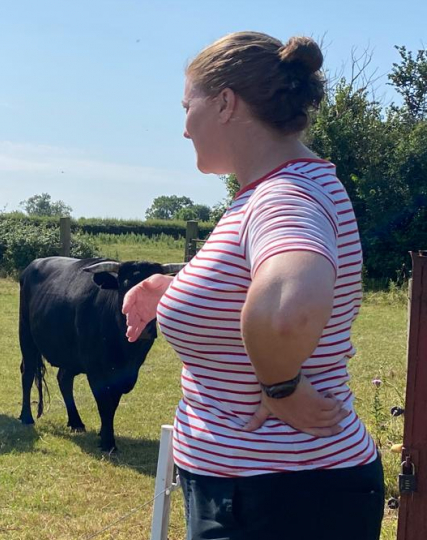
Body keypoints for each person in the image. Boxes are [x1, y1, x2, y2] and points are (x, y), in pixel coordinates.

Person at [122, 32, 384, 540]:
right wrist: (173, 287)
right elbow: (253, 275)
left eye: (187, 106)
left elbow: (289, 304)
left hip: (280, 498)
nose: (183, 129)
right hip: (269, 491)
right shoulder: (282, 188)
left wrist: (280, 385)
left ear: (225, 103)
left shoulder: (284, 196)